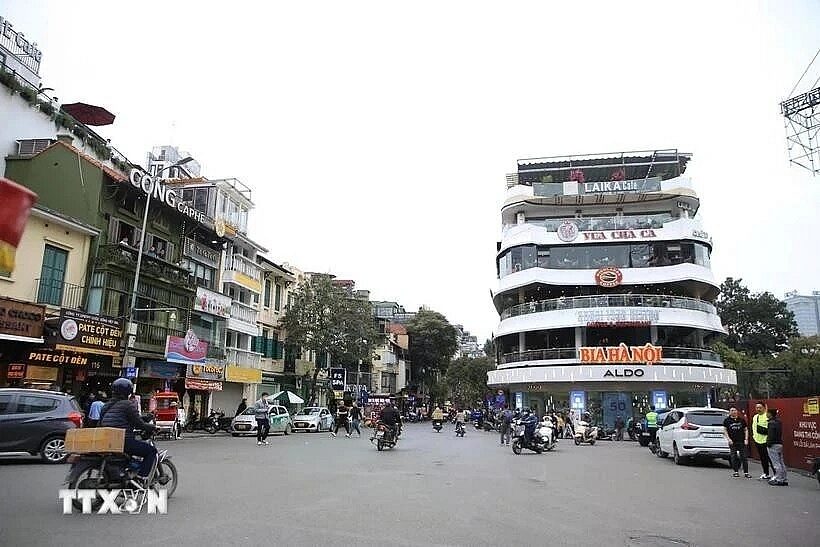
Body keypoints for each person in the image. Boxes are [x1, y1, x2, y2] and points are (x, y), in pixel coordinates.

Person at [99, 378, 157, 485]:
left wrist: (143, 419)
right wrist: (152, 427)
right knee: (151, 451)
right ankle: (141, 478)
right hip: (123, 441)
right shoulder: (128, 404)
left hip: (106, 442)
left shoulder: (106, 406)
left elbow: (131, 418)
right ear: (128, 392)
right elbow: (139, 424)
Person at [723, 406, 750, 478]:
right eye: (731, 410)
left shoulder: (741, 420)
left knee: (744, 457)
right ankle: (736, 471)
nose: (733, 412)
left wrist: (746, 439)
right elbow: (725, 430)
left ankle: (746, 472)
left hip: (741, 441)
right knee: (733, 456)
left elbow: (746, 430)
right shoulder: (727, 420)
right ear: (729, 412)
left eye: (734, 410)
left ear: (737, 411)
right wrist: (728, 439)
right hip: (732, 441)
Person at [766, 408, 788, 486]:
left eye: (767, 413)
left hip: (773, 445)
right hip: (779, 444)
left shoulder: (771, 423)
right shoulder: (779, 422)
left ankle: (779, 479)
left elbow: (771, 434)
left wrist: (768, 444)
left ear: (770, 414)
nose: (766, 414)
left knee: (776, 463)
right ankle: (784, 479)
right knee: (781, 462)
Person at [751, 401, 771, 480]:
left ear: (764, 408)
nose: (758, 409)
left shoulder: (768, 416)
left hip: (766, 441)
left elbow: (771, 428)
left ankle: (777, 475)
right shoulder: (755, 417)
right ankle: (766, 473)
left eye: (760, 407)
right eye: (757, 408)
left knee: (770, 459)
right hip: (757, 440)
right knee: (763, 458)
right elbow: (753, 427)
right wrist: (754, 437)